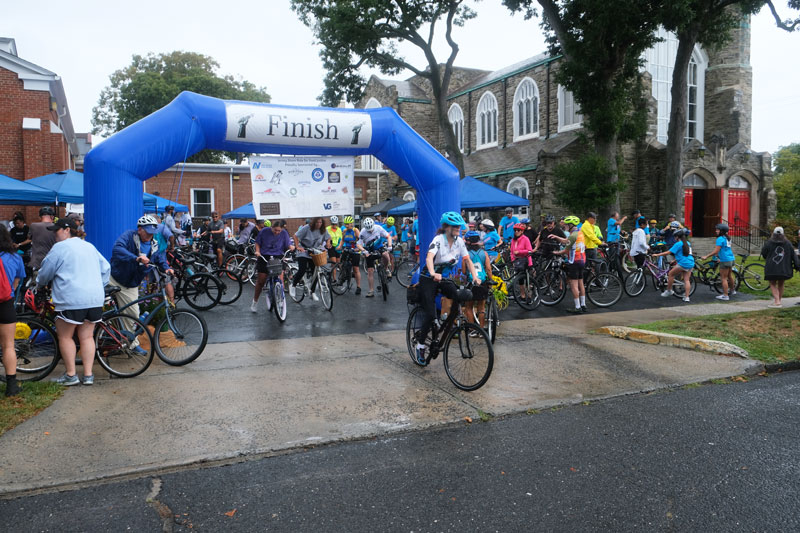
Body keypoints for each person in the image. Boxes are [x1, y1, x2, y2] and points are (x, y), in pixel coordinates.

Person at [36, 218, 110, 386]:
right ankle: (89, 375)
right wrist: (99, 285)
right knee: (87, 337)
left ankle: (71, 375)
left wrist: (40, 284)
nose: (55, 234)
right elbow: (106, 268)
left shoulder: (60, 248)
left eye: (57, 230)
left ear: (67, 230)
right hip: (94, 298)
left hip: (71, 299)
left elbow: (46, 271)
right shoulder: (89, 246)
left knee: (65, 336)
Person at [413, 212, 481, 364]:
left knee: (459, 294)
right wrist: (432, 272)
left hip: (442, 278)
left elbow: (468, 260)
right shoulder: (438, 240)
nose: (458, 229)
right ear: (447, 227)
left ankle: (447, 321)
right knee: (430, 314)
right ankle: (421, 345)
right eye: (455, 226)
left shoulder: (459, 242)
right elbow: (429, 257)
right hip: (428, 278)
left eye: (459, 226)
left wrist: (475, 276)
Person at [109, 215, 174, 353]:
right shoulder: (129, 236)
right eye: (148, 232)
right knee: (99, 309)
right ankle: (102, 335)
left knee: (133, 315)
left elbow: (160, 258)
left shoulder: (154, 244)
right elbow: (117, 249)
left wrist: (166, 267)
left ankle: (131, 344)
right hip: (114, 278)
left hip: (131, 283)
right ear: (139, 229)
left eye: (152, 233)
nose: (150, 235)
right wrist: (136, 258)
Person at [0, 225, 26, 396]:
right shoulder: (15, 258)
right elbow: (16, 284)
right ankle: (11, 386)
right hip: (5, 303)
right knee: (8, 345)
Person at [251, 220, 294, 312]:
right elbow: (258, 242)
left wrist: (291, 247)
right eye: (275, 230)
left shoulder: (284, 233)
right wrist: (257, 251)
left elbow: (288, 244)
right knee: (261, 281)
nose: (277, 232)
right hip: (264, 255)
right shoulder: (264, 231)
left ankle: (281, 298)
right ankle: (255, 301)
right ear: (271, 227)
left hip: (278, 255)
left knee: (280, 278)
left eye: (279, 230)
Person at [550, 215, 586, 313]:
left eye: (566, 224)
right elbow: (567, 241)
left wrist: (557, 253)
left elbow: (566, 250)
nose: (565, 226)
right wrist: (556, 237)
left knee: (573, 285)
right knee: (581, 283)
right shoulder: (579, 233)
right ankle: (583, 305)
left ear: (571, 224)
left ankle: (577, 307)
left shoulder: (573, 235)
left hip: (574, 262)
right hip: (582, 261)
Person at [291, 217, 330, 301]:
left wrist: (328, 243)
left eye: (320, 222)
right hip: (304, 250)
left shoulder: (323, 230)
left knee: (315, 271)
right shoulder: (307, 228)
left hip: (314, 251)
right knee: (302, 269)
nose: (319, 224)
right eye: (317, 222)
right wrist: (297, 246)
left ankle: (312, 292)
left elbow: (328, 238)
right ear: (313, 223)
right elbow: (295, 236)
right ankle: (293, 285)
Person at [761, 227, 800, 308]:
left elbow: (764, 253)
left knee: (772, 283)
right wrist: (797, 265)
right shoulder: (788, 243)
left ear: (774, 233)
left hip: (772, 267)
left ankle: (777, 301)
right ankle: (779, 300)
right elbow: (793, 255)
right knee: (781, 283)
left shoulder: (769, 243)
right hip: (784, 268)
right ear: (783, 234)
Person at [652, 229, 694, 302]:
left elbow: (668, 252)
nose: (674, 238)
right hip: (690, 263)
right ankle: (687, 297)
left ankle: (669, 290)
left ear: (677, 237)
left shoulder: (678, 244)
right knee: (686, 280)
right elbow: (686, 254)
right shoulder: (687, 243)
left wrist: (657, 254)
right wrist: (674, 260)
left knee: (670, 274)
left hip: (683, 263)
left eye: (675, 236)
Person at [356, 217, 392, 297]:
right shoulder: (363, 232)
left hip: (379, 247)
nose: (370, 231)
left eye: (371, 229)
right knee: (370, 270)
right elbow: (358, 244)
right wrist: (364, 251)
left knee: (385, 254)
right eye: (369, 230)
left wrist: (389, 245)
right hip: (369, 250)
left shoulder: (378, 228)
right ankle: (371, 290)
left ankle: (386, 269)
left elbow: (388, 236)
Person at [464, 231, 492, 330]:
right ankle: (481, 328)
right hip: (482, 282)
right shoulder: (484, 253)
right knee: (481, 308)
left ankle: (472, 329)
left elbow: (464, 271)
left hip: (471, 283)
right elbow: (488, 269)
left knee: (469, 307)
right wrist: (491, 280)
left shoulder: (466, 254)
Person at [701, 223, 736, 301]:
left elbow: (716, 251)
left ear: (722, 231)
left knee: (723, 278)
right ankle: (732, 290)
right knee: (729, 276)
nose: (716, 231)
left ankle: (725, 295)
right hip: (731, 259)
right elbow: (725, 249)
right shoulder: (727, 238)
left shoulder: (720, 239)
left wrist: (706, 256)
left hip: (725, 260)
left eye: (717, 230)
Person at [510, 222, 533, 300]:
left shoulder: (525, 239)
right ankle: (522, 295)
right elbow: (511, 252)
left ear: (522, 231)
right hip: (518, 261)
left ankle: (529, 295)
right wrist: (513, 260)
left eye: (518, 230)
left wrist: (519, 252)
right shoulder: (513, 240)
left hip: (526, 261)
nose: (516, 231)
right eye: (515, 230)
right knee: (520, 280)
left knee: (528, 280)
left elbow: (530, 250)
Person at [341, 216, 363, 295]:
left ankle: (358, 287)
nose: (347, 226)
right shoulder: (344, 231)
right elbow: (343, 240)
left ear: (352, 224)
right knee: (341, 263)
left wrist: (359, 248)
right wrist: (340, 246)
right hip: (347, 248)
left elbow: (361, 240)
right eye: (345, 224)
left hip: (355, 249)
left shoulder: (355, 230)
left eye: (348, 224)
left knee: (356, 268)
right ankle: (342, 276)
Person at [327, 216, 343, 281]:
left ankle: (339, 276)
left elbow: (341, 239)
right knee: (334, 263)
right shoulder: (327, 229)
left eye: (335, 224)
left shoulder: (339, 229)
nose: (334, 225)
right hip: (331, 247)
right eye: (333, 224)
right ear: (331, 223)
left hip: (338, 247)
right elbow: (324, 237)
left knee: (338, 263)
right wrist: (327, 243)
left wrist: (341, 246)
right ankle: (334, 279)